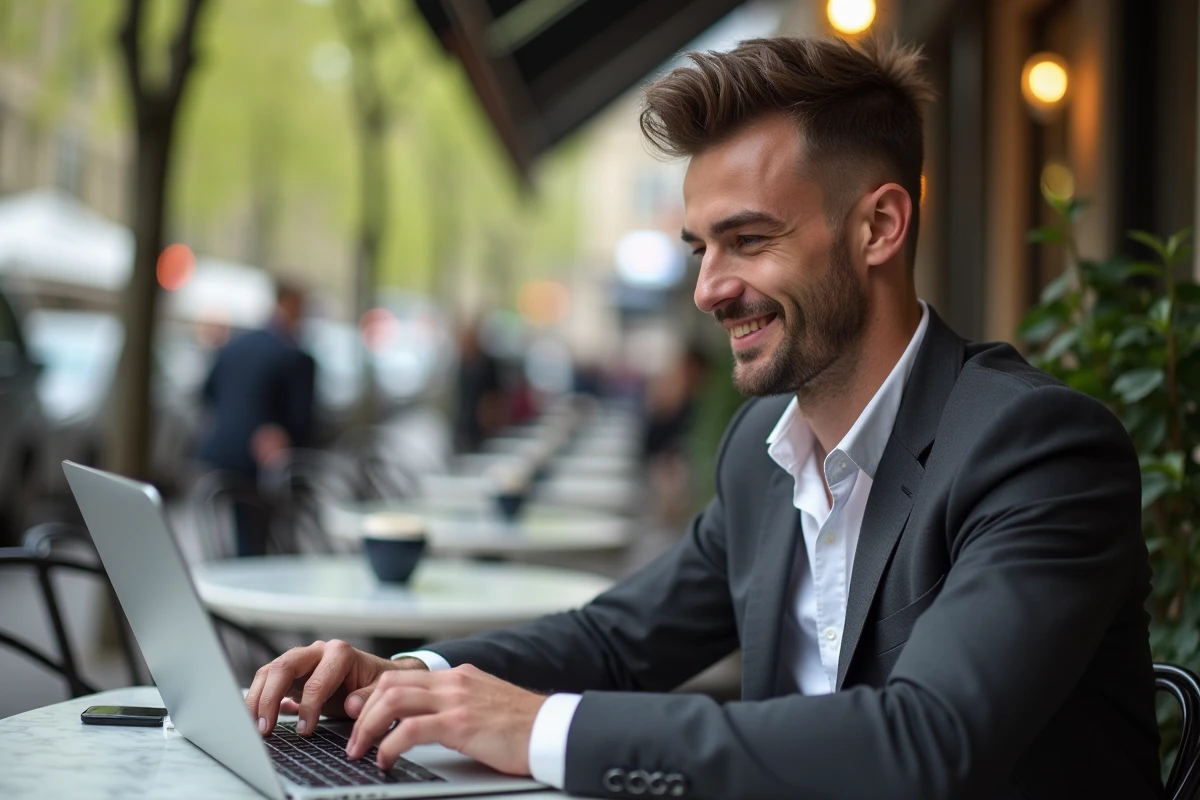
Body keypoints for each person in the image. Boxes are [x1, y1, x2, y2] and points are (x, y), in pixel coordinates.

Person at [246, 36, 1161, 799]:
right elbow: (615, 639)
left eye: (750, 240)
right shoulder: (762, 461)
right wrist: (413, 680)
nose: (709, 288)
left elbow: (924, 742)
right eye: (700, 247)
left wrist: (538, 728)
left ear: (879, 227)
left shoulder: (1037, 449)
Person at [198, 281, 316, 557]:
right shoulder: (294, 356)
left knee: (239, 532)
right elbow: (301, 422)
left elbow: (206, 394)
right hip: (265, 463)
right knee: (265, 538)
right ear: (291, 305)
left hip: (222, 455)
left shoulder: (233, 345)